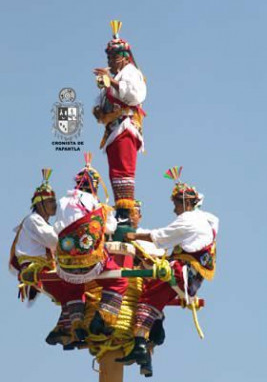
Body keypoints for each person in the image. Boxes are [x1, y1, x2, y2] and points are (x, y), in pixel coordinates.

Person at [116, 178, 219, 368]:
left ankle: (140, 344)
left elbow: (161, 237)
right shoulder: (207, 219)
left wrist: (133, 236)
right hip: (191, 277)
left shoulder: (189, 219)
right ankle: (147, 349)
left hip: (181, 273)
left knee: (146, 298)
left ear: (187, 203)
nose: (174, 210)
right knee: (154, 292)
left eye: (176, 205)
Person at [52, 153, 130, 339]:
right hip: (91, 264)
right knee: (119, 280)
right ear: (94, 186)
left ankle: (77, 323)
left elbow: (57, 229)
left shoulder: (61, 203)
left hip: (66, 266)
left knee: (72, 287)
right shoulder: (97, 205)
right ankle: (103, 316)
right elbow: (110, 228)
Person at [92, 20, 147, 222]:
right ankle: (120, 208)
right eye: (109, 57)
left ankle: (125, 211)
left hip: (125, 126)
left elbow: (135, 96)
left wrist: (111, 81)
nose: (111, 60)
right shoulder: (113, 79)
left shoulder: (132, 73)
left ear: (124, 58)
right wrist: (98, 111)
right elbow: (99, 107)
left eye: (114, 56)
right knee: (115, 170)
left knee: (124, 168)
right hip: (112, 129)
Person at [10, 169, 58, 301]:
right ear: (39, 204)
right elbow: (54, 241)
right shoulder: (33, 220)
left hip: (43, 268)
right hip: (35, 268)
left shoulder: (45, 223)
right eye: (50, 202)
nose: (54, 205)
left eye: (54, 201)